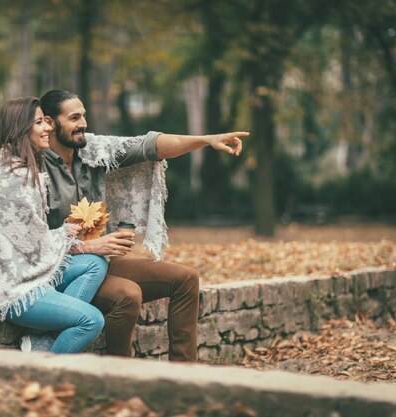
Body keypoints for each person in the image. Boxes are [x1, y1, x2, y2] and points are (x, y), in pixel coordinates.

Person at [39, 89, 250, 361]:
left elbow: (150, 145)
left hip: (99, 260)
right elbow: (29, 240)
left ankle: (183, 376)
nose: (83, 124)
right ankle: (120, 375)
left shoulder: (93, 150)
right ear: (50, 122)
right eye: (74, 117)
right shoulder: (33, 167)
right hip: (57, 270)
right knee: (128, 294)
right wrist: (91, 246)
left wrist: (206, 140)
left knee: (185, 279)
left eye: (84, 116)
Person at [0, 96, 108, 354]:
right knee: (91, 320)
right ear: (21, 129)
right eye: (39, 123)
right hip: (9, 288)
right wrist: (66, 234)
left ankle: (42, 338)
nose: (48, 128)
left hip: (20, 271)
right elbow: (33, 246)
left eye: (46, 121)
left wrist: (63, 234)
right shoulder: (15, 178)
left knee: (95, 263)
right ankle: (43, 376)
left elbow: (24, 236)